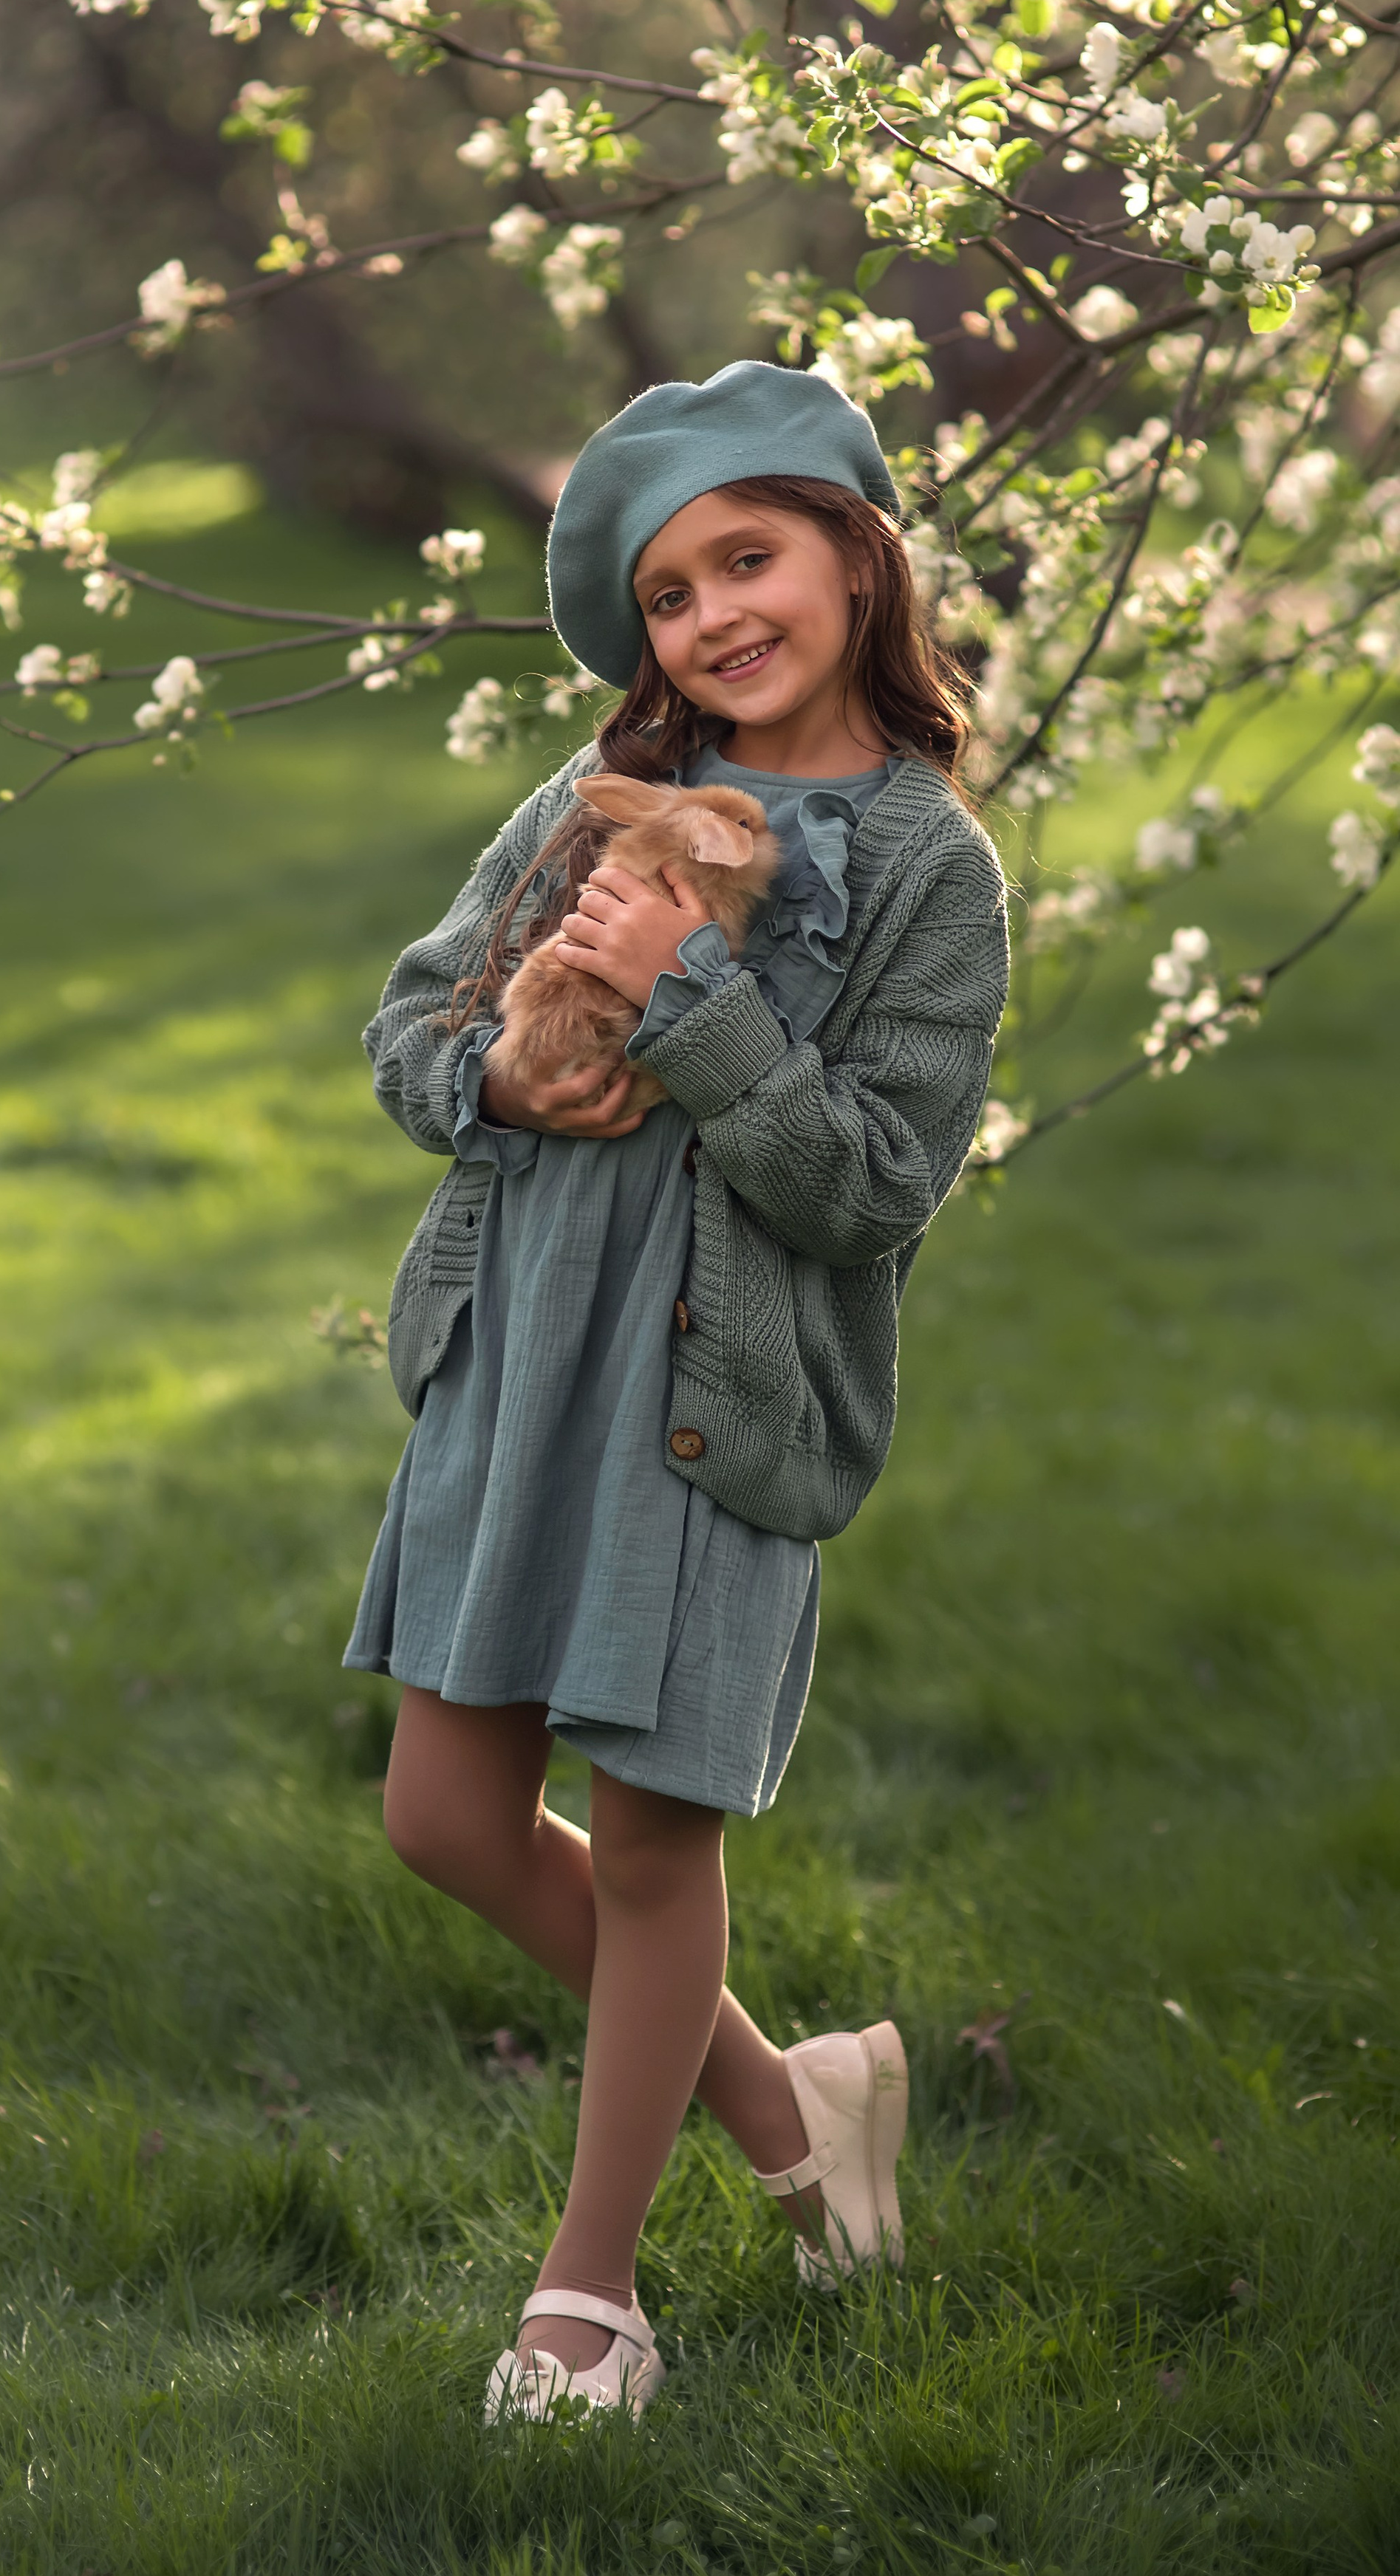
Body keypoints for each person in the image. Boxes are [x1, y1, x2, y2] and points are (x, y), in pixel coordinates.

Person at [344, 361, 1009, 2421]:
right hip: (523, 1358)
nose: (717, 615)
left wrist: (690, 999)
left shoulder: (931, 869)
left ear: (854, 561)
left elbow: (871, 1186)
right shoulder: (591, 801)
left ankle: (590, 2298)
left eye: (751, 558)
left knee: (651, 1844)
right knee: (444, 1815)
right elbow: (412, 1023)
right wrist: (494, 1075)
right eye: (670, 593)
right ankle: (794, 2107)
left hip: (719, 1401)